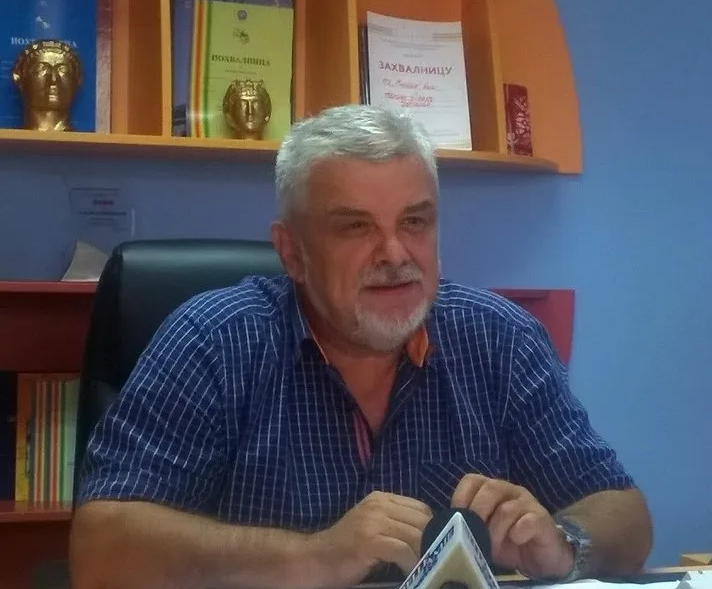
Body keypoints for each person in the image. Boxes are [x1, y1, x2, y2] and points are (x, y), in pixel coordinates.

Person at [69, 105, 653, 589]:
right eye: (356, 227)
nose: (396, 255)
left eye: (415, 222)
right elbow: (101, 551)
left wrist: (564, 544)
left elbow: (626, 515)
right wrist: (314, 556)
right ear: (292, 252)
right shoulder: (213, 341)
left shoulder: (500, 337)